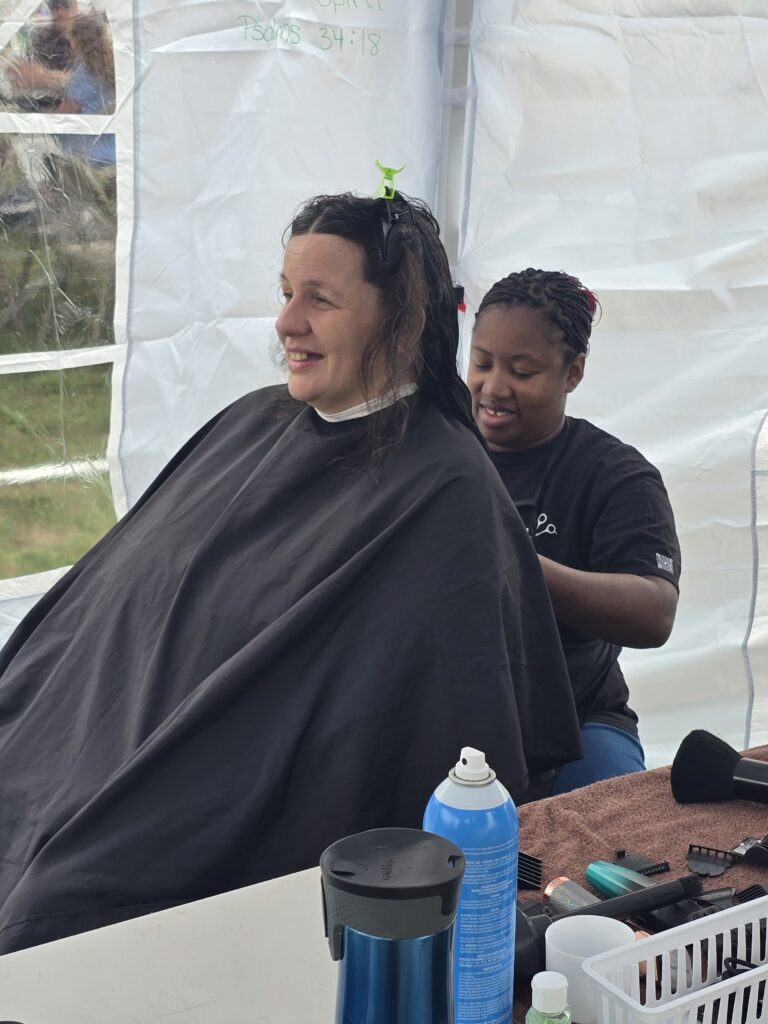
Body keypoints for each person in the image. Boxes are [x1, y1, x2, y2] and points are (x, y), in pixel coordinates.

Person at [0, 194, 582, 954]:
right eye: (285, 294)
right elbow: (111, 602)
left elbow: (390, 725)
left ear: (400, 320)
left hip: (217, 798)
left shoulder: (444, 491)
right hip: (89, 741)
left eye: (319, 300)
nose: (287, 323)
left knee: (57, 902)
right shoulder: (251, 421)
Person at [467, 268, 680, 794]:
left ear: (573, 373)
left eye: (522, 370)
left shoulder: (613, 474)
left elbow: (654, 613)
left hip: (580, 717)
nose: (494, 387)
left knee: (608, 842)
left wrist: (519, 561)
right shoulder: (437, 449)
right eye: (482, 363)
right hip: (453, 713)